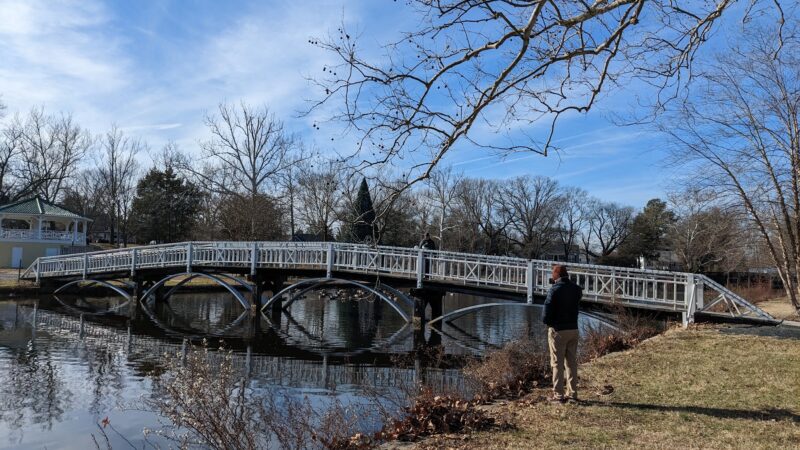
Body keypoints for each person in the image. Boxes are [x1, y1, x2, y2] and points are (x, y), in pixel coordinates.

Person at [542, 264, 582, 403]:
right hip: (573, 329)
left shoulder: (554, 290)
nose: (551, 276)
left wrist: (549, 323)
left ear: (556, 275)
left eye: (552, 273)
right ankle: (572, 394)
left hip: (558, 330)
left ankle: (558, 395)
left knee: (557, 363)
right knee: (571, 363)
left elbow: (546, 312)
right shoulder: (577, 289)